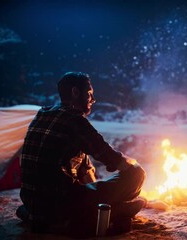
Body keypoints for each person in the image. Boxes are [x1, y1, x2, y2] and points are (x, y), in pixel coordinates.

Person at [17, 72, 146, 237]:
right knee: (137, 174)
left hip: (31, 202)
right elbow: (111, 158)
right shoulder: (76, 121)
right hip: (60, 205)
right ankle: (108, 210)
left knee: (81, 156)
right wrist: (131, 162)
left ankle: (96, 206)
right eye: (90, 94)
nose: (93, 100)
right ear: (76, 93)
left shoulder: (43, 113)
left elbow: (88, 157)